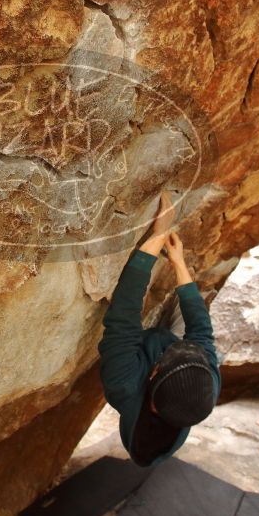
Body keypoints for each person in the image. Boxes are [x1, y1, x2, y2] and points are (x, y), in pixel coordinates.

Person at [98, 191, 222, 467]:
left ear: (154, 372)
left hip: (145, 361)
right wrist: (178, 261)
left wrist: (158, 234)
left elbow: (123, 316)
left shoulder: (123, 385)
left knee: (161, 329)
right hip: (178, 366)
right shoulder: (206, 386)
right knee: (193, 301)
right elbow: (201, 330)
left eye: (170, 355)